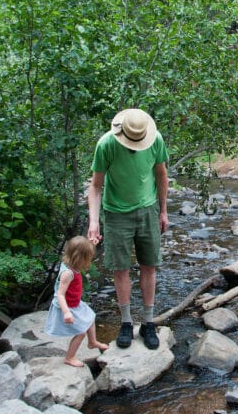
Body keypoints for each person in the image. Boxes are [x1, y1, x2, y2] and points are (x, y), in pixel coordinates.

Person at [87, 108, 169, 350]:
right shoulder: (106, 145)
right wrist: (94, 221)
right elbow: (95, 186)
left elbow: (161, 175)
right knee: (120, 268)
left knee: (149, 265)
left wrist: (163, 211)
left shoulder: (156, 140)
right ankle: (125, 322)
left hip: (148, 209)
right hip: (116, 213)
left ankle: (148, 322)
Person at [44, 236, 109, 367]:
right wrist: (67, 313)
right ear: (80, 258)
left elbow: (81, 247)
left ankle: (92, 342)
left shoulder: (73, 264)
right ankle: (69, 357)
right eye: (88, 259)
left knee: (90, 317)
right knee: (81, 332)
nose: (89, 262)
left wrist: (92, 243)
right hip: (67, 306)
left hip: (75, 303)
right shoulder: (68, 274)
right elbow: (60, 294)